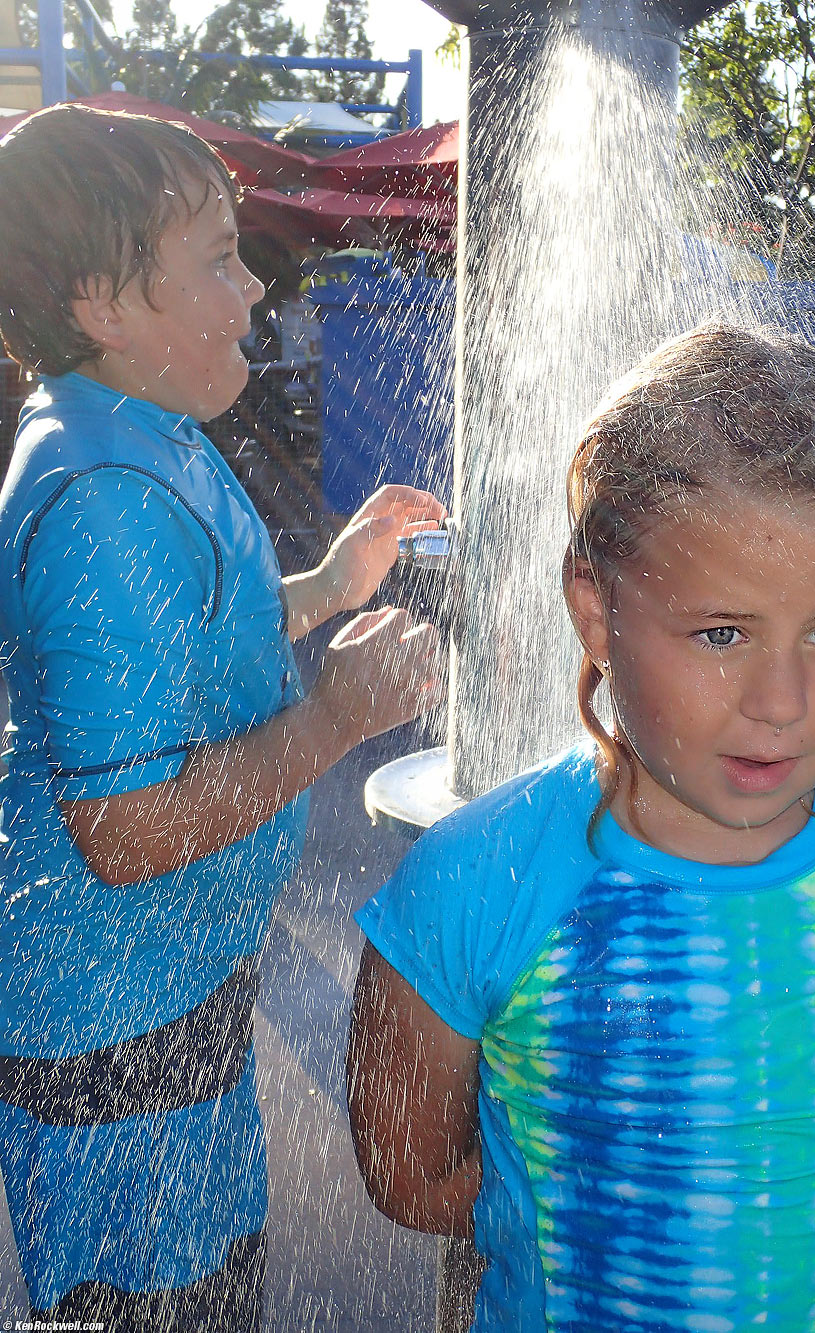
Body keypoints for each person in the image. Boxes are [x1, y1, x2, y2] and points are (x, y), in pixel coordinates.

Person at [348, 324, 815, 1332]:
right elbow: (412, 1181)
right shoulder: (464, 888)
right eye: (720, 632)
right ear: (596, 610)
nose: (780, 702)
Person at [0, 104, 445, 1329]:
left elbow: (197, 638)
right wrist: (341, 718)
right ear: (102, 302)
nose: (252, 286)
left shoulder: (144, 437)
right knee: (160, 1305)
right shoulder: (97, 494)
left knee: (210, 1276)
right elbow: (126, 830)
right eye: (215, 256)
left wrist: (331, 585)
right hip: (113, 1020)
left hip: (164, 986)